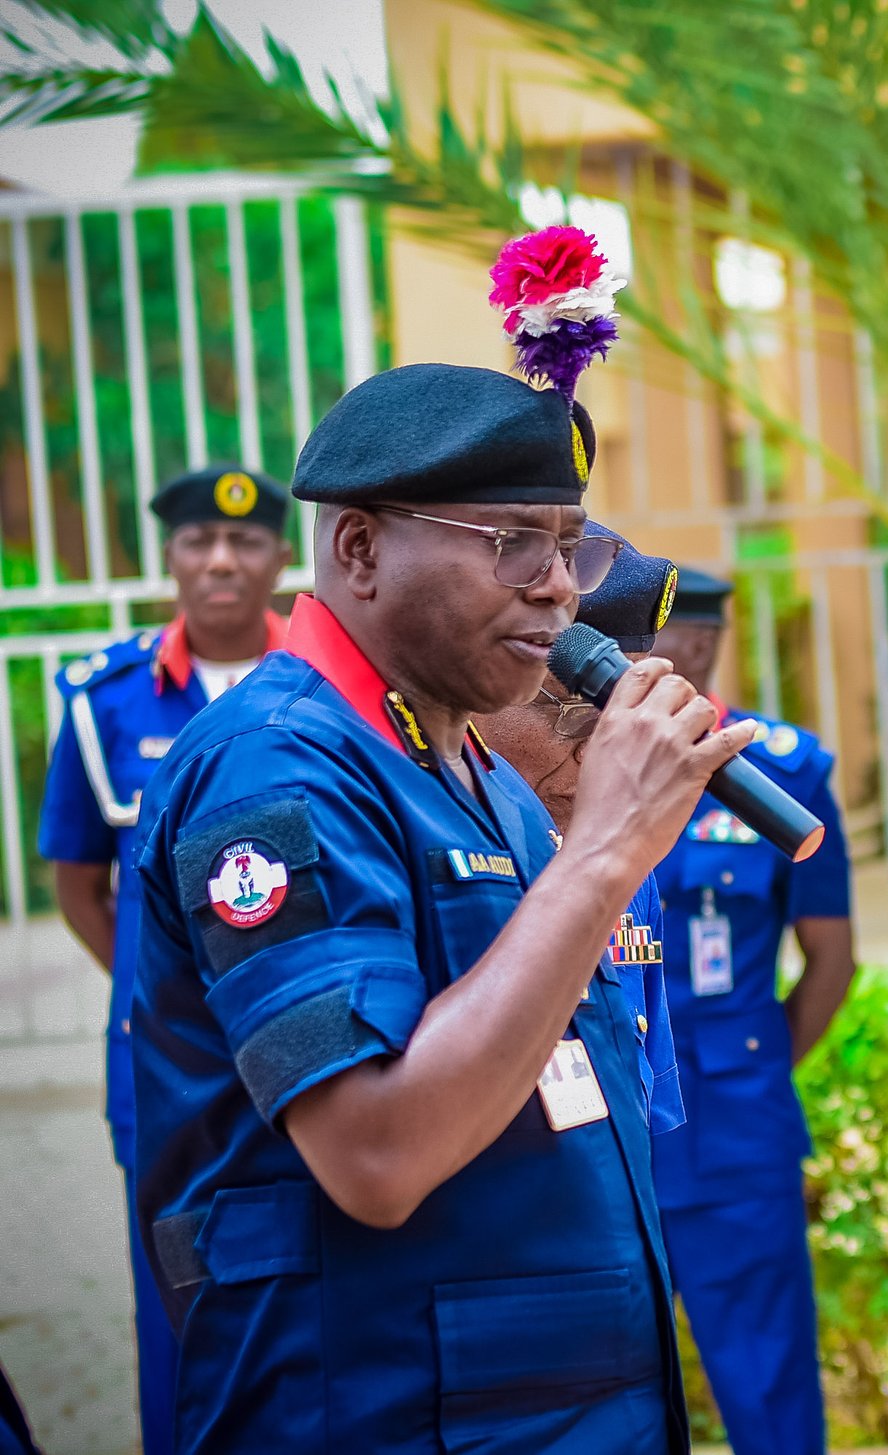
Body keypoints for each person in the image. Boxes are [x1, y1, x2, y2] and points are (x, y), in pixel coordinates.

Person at [125, 360, 758, 1451]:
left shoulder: (470, 770)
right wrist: (604, 850)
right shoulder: (279, 772)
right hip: (384, 1407)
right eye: (513, 540)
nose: (558, 585)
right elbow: (376, 1155)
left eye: (570, 545)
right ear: (360, 549)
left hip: (541, 1406)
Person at [37, 463, 291, 1455]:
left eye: (245, 542)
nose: (221, 560)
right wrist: (174, 999)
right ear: (172, 557)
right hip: (165, 1071)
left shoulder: (327, 682)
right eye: (197, 541)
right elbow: (77, 887)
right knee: (178, 1307)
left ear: (281, 556)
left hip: (313, 1050)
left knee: (312, 1291)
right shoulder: (109, 701)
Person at [645, 568, 855, 1455]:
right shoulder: (551, 764)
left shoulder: (783, 771)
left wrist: (760, 1056)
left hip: (739, 1131)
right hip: (607, 1130)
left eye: (689, 640)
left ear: (704, 645)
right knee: (611, 1391)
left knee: (768, 1383)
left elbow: (831, 960)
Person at [473, 520, 686, 1138]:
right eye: (572, 713)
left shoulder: (619, 852)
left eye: (629, 718)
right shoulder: (423, 852)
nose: (603, 755)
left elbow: (641, 1120)